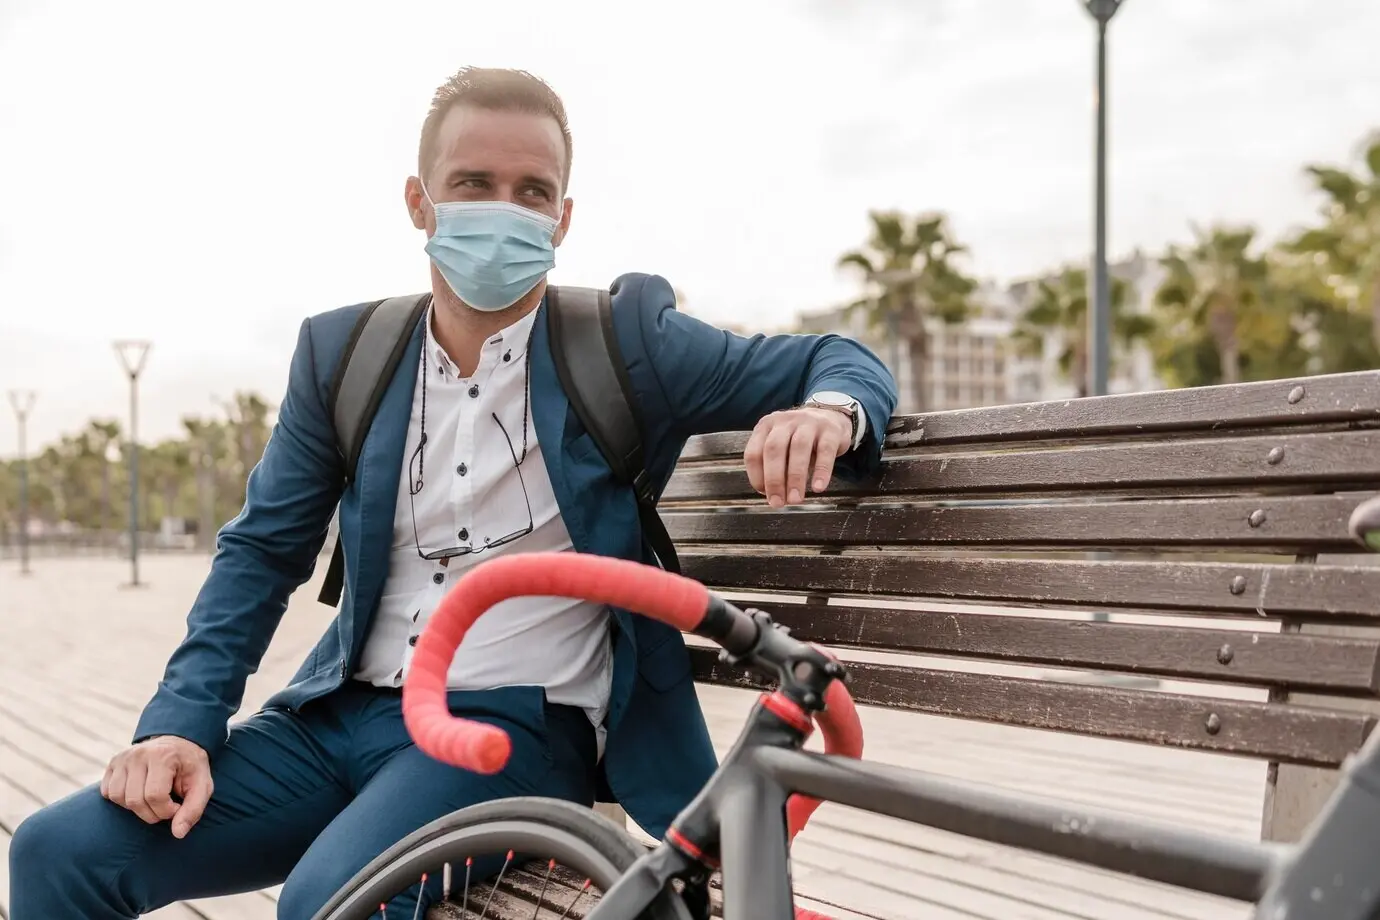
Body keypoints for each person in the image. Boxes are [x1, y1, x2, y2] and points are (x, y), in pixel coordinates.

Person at [8, 66, 897, 919]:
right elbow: (262, 550)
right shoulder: (344, 355)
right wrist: (179, 725)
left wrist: (830, 410)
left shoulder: (626, 340)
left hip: (512, 731)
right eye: (473, 182)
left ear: (563, 219)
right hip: (336, 718)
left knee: (331, 904)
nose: (503, 210)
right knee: (57, 852)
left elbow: (837, 359)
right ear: (419, 202)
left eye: (532, 191)